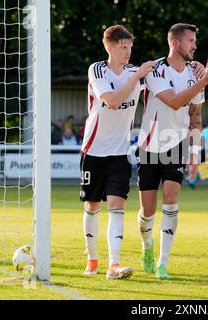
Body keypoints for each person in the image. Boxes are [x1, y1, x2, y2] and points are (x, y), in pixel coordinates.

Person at [136, 23, 208, 280]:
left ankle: (163, 263)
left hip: (177, 145)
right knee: (147, 212)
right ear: (175, 43)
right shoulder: (155, 70)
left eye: (195, 41)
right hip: (149, 146)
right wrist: (204, 80)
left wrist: (194, 153)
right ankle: (147, 246)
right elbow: (174, 102)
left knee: (171, 199)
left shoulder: (196, 75)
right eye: (190, 41)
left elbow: (195, 119)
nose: (195, 45)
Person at [79, 25, 156, 280]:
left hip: (120, 152)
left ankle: (114, 265)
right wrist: (136, 78)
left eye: (130, 47)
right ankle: (92, 259)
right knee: (92, 206)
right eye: (123, 47)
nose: (128, 52)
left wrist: (197, 70)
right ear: (109, 47)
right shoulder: (97, 70)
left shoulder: (136, 72)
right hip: (93, 149)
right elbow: (111, 101)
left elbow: (168, 70)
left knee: (116, 206)